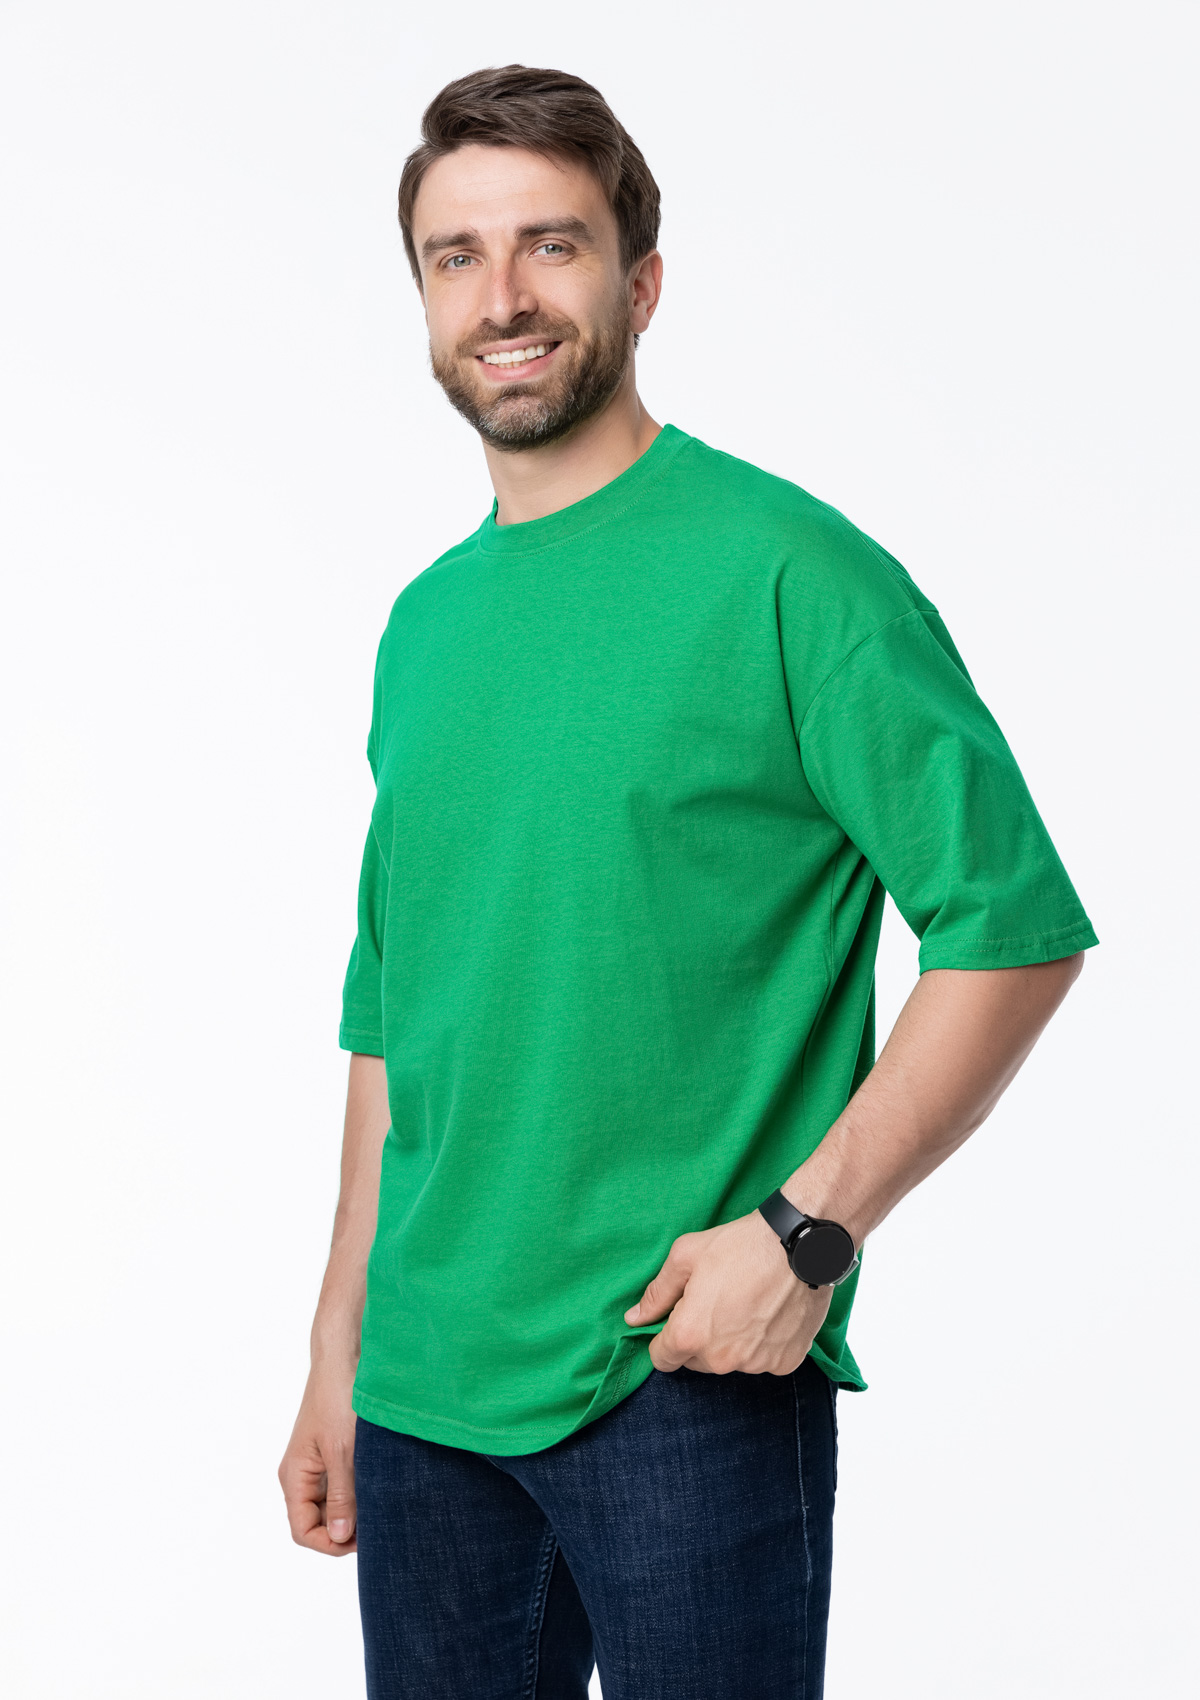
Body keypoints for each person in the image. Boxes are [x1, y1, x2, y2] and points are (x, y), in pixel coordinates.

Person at [278, 64, 1097, 1700]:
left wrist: (807, 1233)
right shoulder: (424, 623)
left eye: (552, 245)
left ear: (640, 282)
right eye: (457, 256)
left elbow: (1010, 929)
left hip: (679, 1372)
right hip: (424, 1389)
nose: (504, 298)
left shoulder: (793, 574)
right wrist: (338, 1344)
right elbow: (395, 1013)